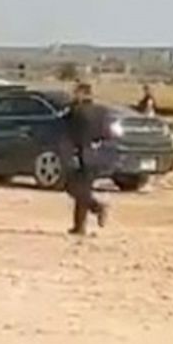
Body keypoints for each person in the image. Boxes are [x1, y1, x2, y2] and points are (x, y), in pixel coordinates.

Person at [64, 82, 109, 236]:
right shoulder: (100, 112)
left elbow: (68, 129)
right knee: (83, 189)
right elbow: (105, 134)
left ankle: (97, 207)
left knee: (73, 187)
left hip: (80, 154)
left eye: (76, 92)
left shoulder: (77, 111)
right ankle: (79, 226)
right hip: (95, 155)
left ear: (82, 93)